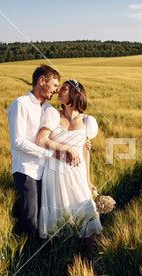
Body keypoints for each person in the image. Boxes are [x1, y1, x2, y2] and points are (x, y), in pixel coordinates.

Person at [8, 65, 87, 237]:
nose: (56, 91)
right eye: (54, 85)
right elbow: (18, 142)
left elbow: (61, 133)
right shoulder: (21, 104)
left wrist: (83, 142)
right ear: (42, 81)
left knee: (42, 220)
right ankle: (25, 256)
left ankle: (40, 254)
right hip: (26, 169)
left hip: (46, 173)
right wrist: (51, 154)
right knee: (30, 220)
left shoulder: (48, 110)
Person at [36, 79, 101, 257]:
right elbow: (42, 140)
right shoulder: (53, 114)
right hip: (54, 174)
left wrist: (87, 180)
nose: (58, 92)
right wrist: (66, 148)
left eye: (63, 89)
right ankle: (58, 258)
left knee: (87, 211)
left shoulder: (88, 121)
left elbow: (85, 153)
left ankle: (91, 258)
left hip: (77, 174)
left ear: (74, 93)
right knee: (57, 217)